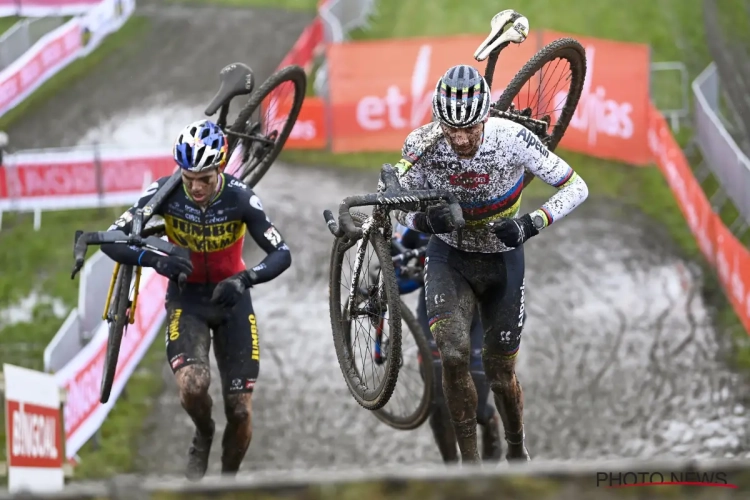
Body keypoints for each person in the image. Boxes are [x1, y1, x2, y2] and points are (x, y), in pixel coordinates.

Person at [393, 64, 589, 464]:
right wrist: (423, 221)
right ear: (438, 120)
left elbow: (576, 185)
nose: (461, 139)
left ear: (486, 117)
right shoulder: (423, 144)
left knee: (501, 376)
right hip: (450, 257)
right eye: (452, 130)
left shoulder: (513, 138)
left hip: (502, 260)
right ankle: (469, 466)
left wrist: (531, 223)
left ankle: (516, 446)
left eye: (471, 129)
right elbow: (395, 204)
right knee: (451, 354)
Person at [101, 119, 291, 480]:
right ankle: (203, 432)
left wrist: (245, 278)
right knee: (192, 385)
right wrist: (156, 260)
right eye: (189, 178)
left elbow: (282, 253)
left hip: (231, 299)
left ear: (220, 167)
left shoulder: (240, 197)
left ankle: (227, 484)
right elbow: (112, 238)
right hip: (187, 301)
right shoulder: (165, 191)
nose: (197, 187)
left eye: (204, 178)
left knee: (239, 410)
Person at [391, 222, 503, 462]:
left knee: (477, 408)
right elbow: (395, 277)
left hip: (482, 314)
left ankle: (489, 473)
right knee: (439, 401)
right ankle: (452, 472)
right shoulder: (417, 220)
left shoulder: (484, 206)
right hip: (437, 311)